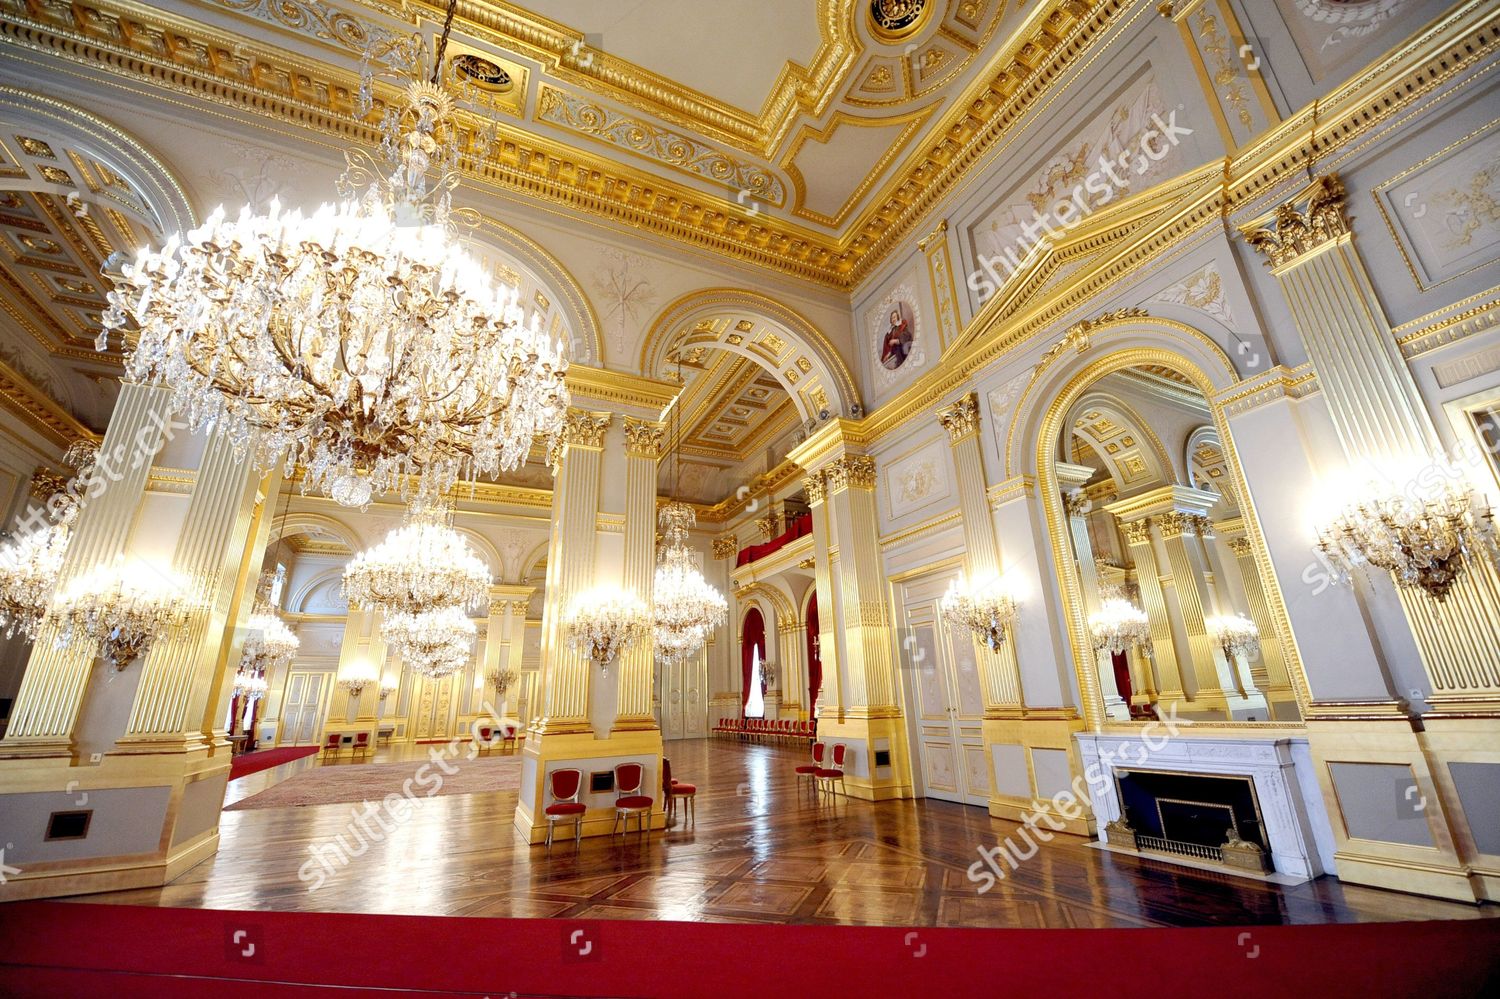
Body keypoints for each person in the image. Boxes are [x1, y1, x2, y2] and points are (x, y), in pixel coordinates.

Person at [881, 306, 913, 370]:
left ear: (897, 317)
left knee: (899, 349)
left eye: (894, 317)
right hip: (894, 350)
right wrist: (888, 354)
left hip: (903, 345)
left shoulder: (901, 324)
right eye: (892, 318)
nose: (893, 319)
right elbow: (889, 345)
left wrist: (896, 341)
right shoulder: (891, 331)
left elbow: (907, 335)